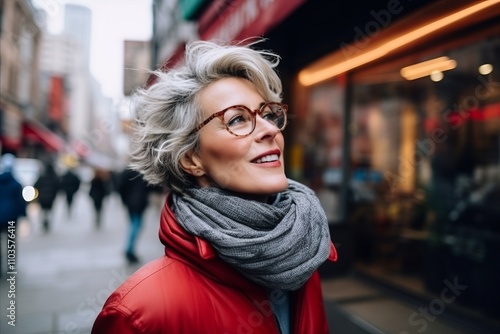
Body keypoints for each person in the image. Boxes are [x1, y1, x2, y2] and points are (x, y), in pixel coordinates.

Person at [92, 39, 337, 334]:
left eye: (268, 114)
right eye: (237, 119)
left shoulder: (301, 254)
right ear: (191, 159)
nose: (271, 129)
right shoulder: (139, 315)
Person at [0, 154, 26, 276]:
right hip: (11, 219)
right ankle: (11, 266)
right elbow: (21, 202)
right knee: (11, 242)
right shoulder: (16, 183)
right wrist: (24, 215)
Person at [118, 167, 151, 264]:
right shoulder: (143, 172)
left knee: (133, 224)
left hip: (130, 203)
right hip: (140, 203)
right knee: (136, 225)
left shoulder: (126, 171)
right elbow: (150, 187)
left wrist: (124, 200)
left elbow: (121, 187)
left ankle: (129, 249)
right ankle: (129, 250)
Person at [34, 162, 61, 233]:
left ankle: (44, 221)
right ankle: (47, 221)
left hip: (42, 198)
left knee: (43, 210)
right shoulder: (55, 177)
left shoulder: (42, 177)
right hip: (51, 198)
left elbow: (36, 185)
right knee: (48, 211)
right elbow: (58, 187)